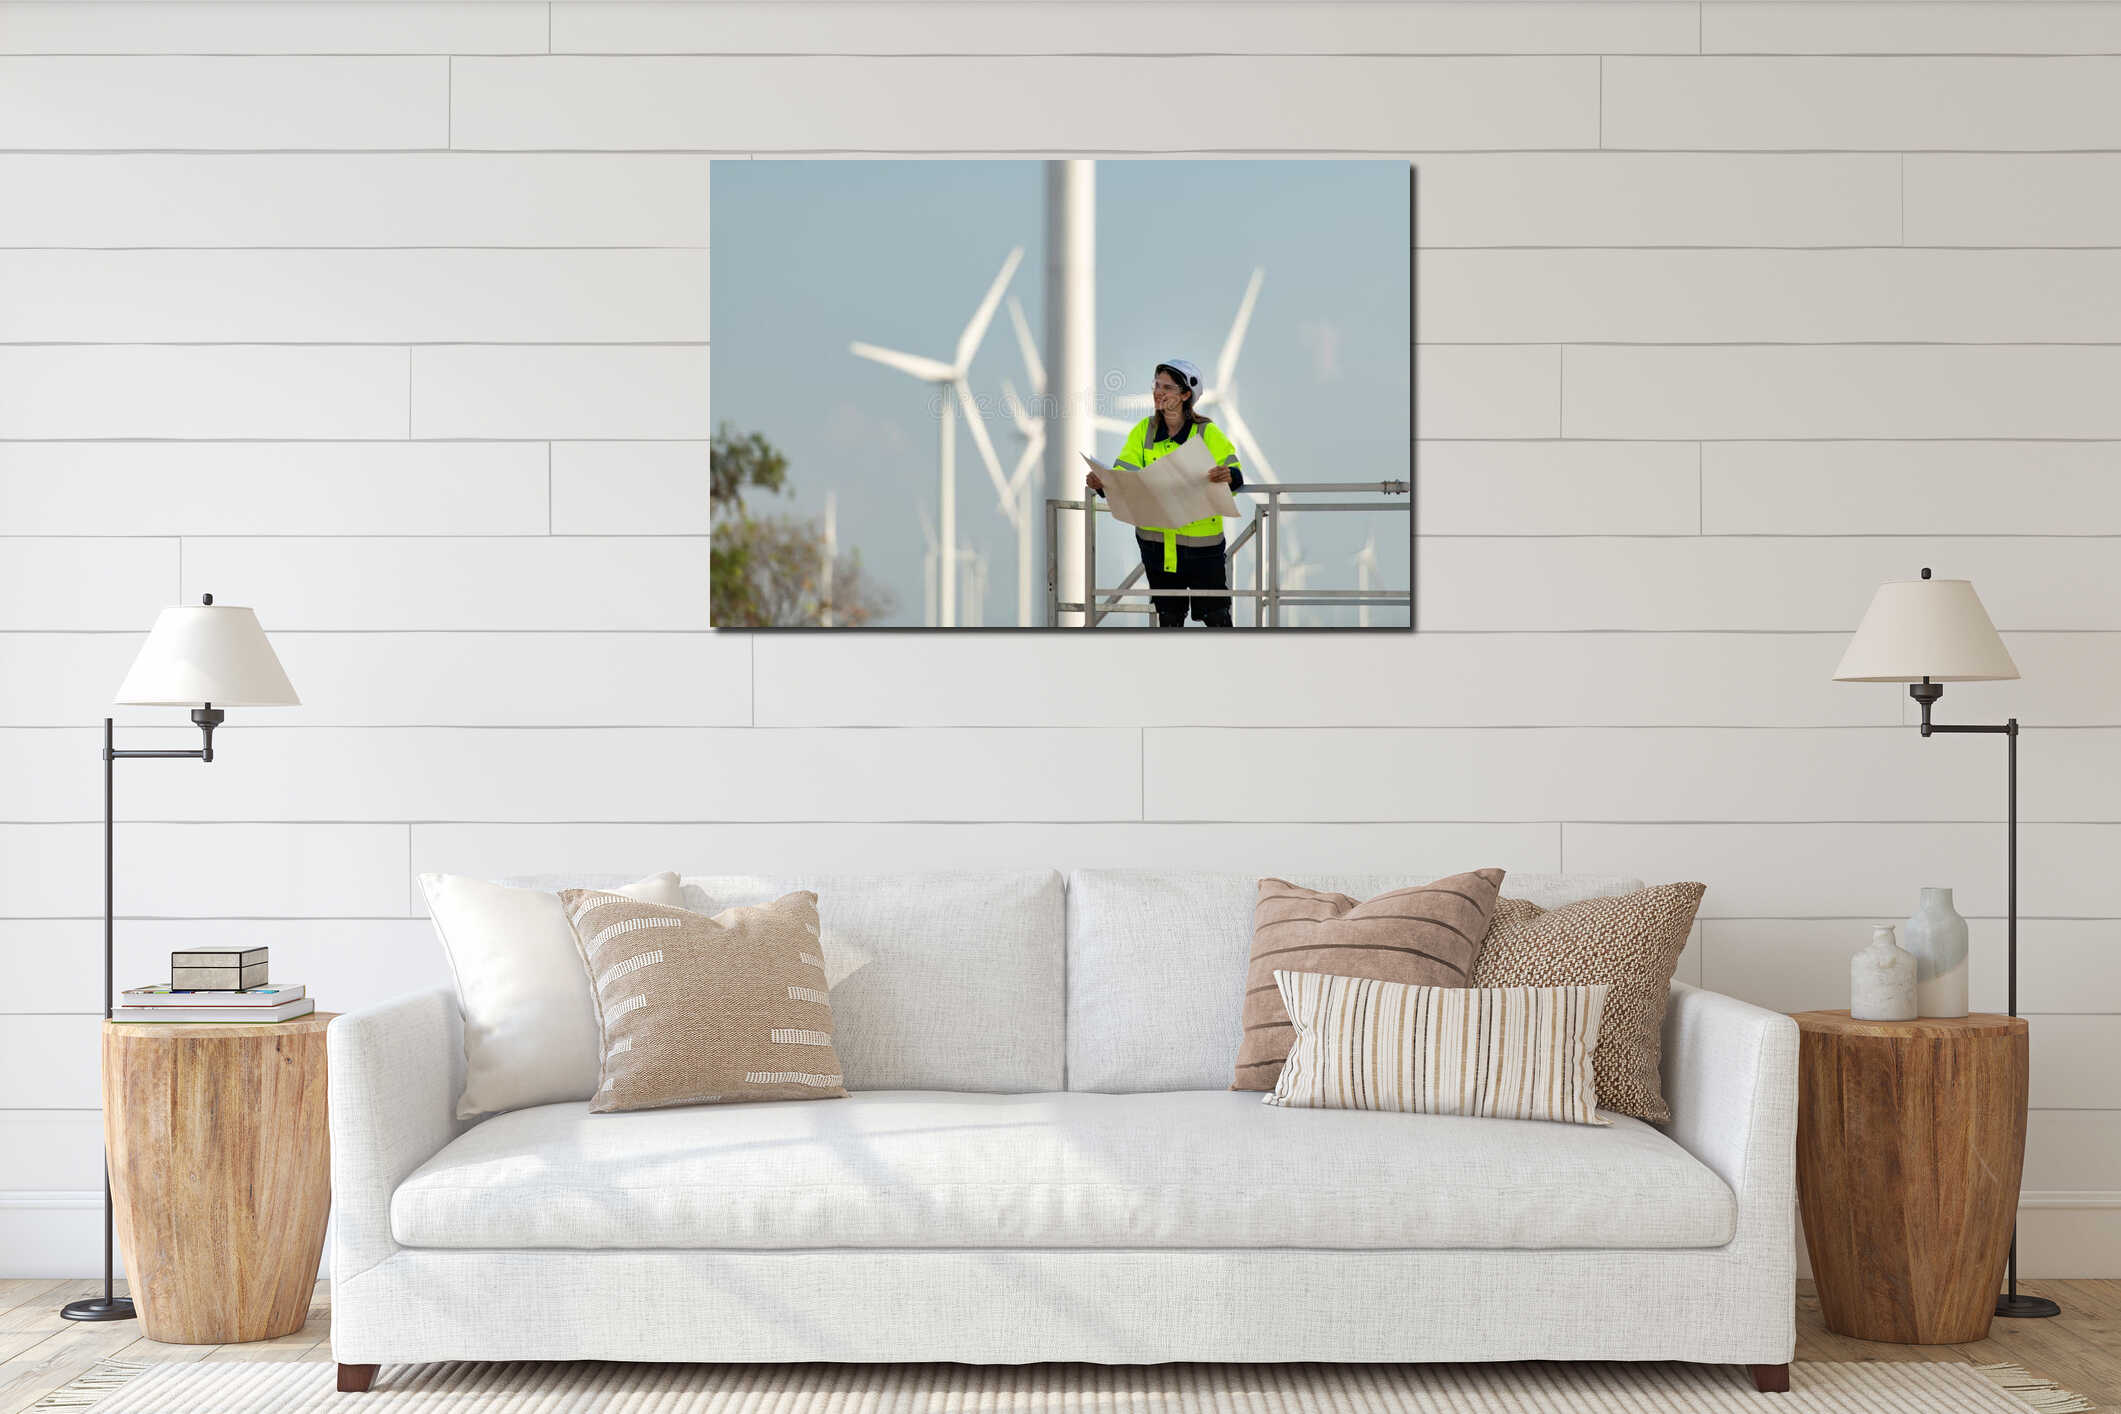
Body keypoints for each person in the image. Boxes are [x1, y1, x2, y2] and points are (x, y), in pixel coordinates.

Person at [1084, 358, 1244, 628]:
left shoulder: (1207, 432)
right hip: (1156, 547)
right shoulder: (1142, 432)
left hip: (1202, 549)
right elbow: (1124, 479)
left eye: (1167, 387)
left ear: (1185, 395)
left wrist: (1228, 475)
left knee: (1216, 617)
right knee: (1169, 621)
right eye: (1156, 385)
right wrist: (1103, 484)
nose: (1158, 392)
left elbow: (1234, 471)